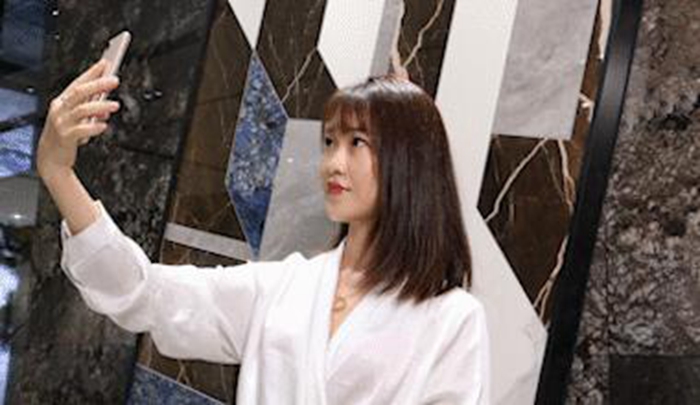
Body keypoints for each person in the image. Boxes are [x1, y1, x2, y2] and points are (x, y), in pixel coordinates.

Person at [36, 59, 491, 404]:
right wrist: (58, 173)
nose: (333, 163)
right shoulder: (284, 288)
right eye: (330, 141)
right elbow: (143, 293)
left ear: (409, 162)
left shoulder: (452, 320)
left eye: (358, 143)